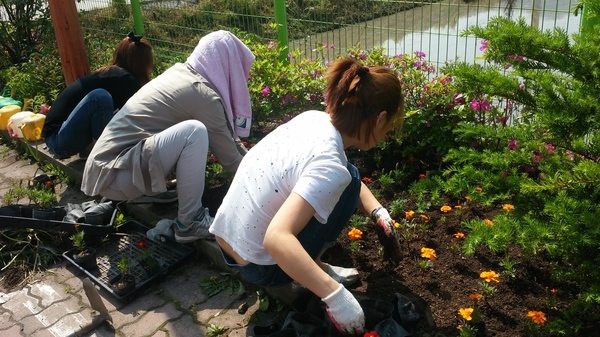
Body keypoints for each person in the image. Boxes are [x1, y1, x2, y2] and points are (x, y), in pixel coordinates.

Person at [209, 57, 405, 335]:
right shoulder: (330, 166)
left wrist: (377, 212)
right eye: (389, 126)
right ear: (380, 118)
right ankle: (310, 273)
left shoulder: (314, 120)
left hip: (228, 239)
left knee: (347, 176)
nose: (386, 135)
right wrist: (334, 295)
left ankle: (312, 265)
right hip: (260, 266)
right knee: (347, 181)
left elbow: (336, 172)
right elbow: (277, 238)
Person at [81, 30, 254, 243]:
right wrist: (269, 179)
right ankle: (190, 222)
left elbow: (229, 139)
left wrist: (256, 158)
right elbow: (230, 160)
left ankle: (157, 193)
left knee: (188, 133)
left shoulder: (182, 75)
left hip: (107, 170)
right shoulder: (202, 94)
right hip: (116, 176)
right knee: (194, 132)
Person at [42, 32, 154, 159]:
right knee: (100, 98)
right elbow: (143, 113)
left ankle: (89, 150)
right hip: (58, 140)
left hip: (62, 137)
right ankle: (102, 154)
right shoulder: (126, 80)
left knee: (114, 112)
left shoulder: (113, 75)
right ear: (143, 63)